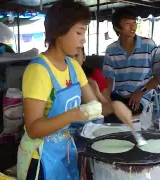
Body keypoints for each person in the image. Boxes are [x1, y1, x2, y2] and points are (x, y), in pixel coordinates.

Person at [17, 1, 112, 180]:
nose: (84, 39)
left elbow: (95, 107)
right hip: (40, 159)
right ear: (60, 32)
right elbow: (33, 129)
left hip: (65, 150)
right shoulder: (39, 70)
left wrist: (115, 108)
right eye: (79, 32)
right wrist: (73, 115)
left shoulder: (74, 66)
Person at [103, 9, 160, 123]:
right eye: (127, 23)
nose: (132, 27)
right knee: (99, 114)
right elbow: (109, 80)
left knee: (116, 118)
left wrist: (141, 92)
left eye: (134, 23)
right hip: (118, 96)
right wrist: (106, 100)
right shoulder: (111, 50)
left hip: (140, 97)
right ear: (117, 27)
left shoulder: (149, 45)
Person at [73, 48, 134, 129]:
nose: (73, 60)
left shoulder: (88, 78)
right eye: (68, 57)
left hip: (92, 126)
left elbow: (96, 110)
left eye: (76, 56)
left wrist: (115, 106)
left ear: (83, 58)